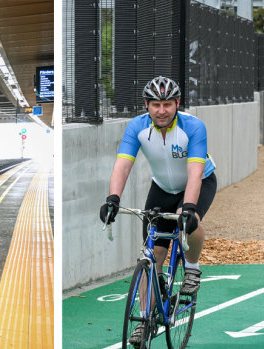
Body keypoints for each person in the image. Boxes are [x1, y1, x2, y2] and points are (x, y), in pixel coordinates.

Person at [99, 76, 217, 344]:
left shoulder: (194, 127)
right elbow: (123, 164)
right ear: (146, 106)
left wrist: (187, 208)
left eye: (167, 104)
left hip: (197, 181)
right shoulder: (137, 128)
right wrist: (113, 199)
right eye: (155, 105)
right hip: (162, 187)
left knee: (190, 223)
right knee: (151, 256)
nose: (161, 111)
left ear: (177, 104)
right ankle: (143, 319)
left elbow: (195, 171)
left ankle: (192, 269)